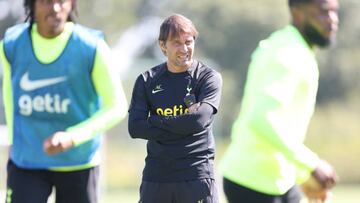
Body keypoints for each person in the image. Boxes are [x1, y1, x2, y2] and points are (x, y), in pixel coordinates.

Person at [0, 0, 128, 202]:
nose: (55, 8)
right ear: (32, 5)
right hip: (26, 161)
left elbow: (117, 106)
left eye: (62, 1)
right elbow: (10, 95)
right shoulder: (12, 44)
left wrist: (73, 136)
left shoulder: (91, 47)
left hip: (79, 161)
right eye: (47, 2)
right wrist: (16, 142)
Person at [219, 0, 339, 202]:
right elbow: (261, 119)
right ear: (297, 13)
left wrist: (302, 175)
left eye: (334, 12)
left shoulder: (294, 48)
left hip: (277, 181)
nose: (332, 20)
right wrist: (312, 165)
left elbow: (284, 128)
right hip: (253, 183)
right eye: (323, 13)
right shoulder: (287, 54)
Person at [128, 14, 222, 203]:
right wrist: (183, 122)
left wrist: (153, 122)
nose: (184, 49)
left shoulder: (208, 78)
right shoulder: (147, 80)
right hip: (156, 177)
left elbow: (199, 120)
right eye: (176, 43)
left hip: (196, 175)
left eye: (188, 42)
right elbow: (135, 128)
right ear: (163, 45)